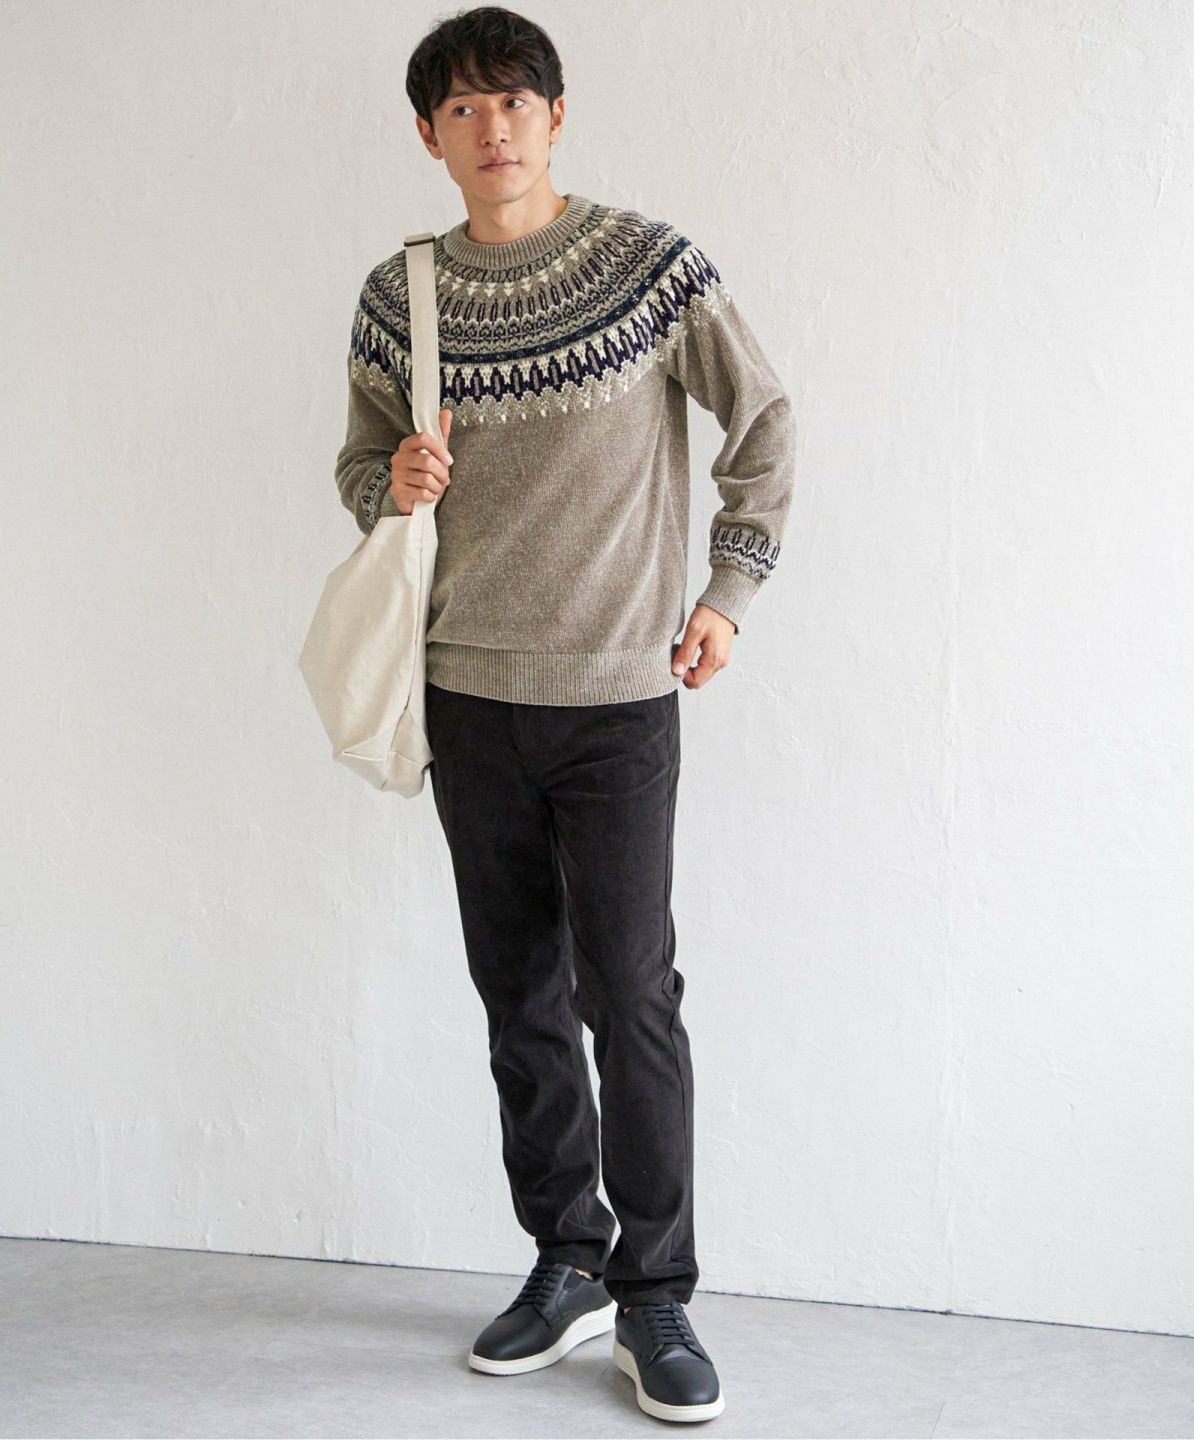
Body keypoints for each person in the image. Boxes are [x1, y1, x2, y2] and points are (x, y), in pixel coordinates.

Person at [333, 5, 795, 1424]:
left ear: (555, 114)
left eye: (515, 102)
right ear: (429, 134)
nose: (494, 129)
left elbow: (765, 418)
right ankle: (569, 1257)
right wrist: (392, 484)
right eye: (463, 110)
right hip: (467, 697)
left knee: (631, 996)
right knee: (518, 993)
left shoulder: (649, 267)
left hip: (617, 700)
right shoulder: (400, 295)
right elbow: (358, 466)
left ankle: (657, 1294)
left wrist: (730, 589)